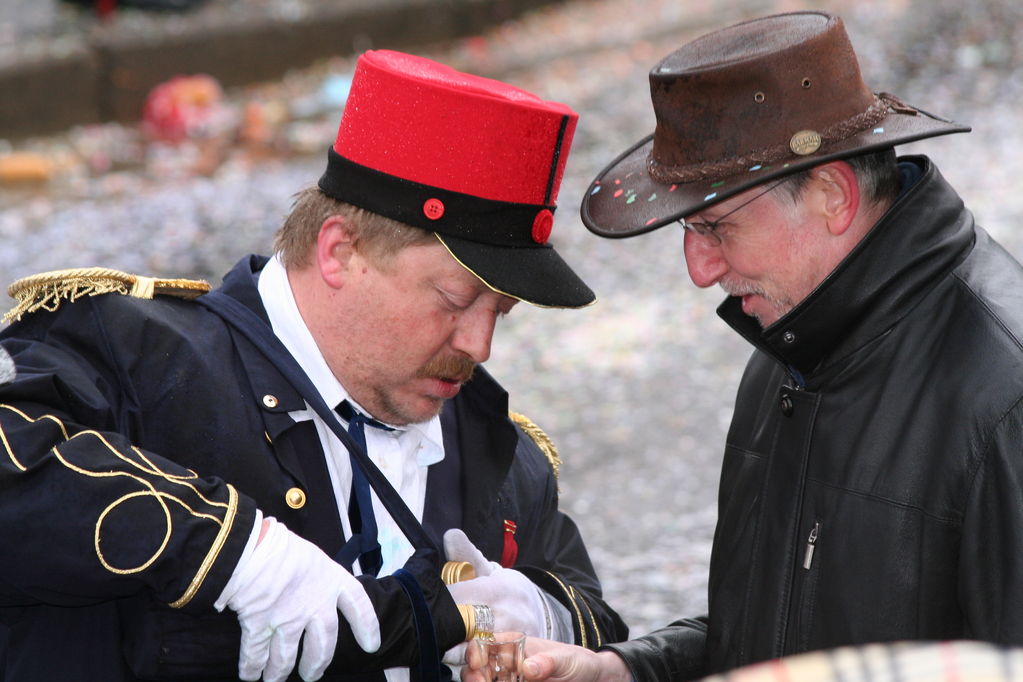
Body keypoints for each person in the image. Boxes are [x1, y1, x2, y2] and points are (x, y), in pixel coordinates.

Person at [0, 49, 626, 681]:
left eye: (503, 312)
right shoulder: (134, 352)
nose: (480, 345)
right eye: (455, 300)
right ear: (339, 251)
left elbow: (598, 618)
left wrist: (545, 618)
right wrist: (232, 551)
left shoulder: (500, 449)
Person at [465, 9, 1023, 682]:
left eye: (713, 227)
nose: (697, 269)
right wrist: (621, 670)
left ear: (830, 196)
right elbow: (773, 632)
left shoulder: (1003, 395)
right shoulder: (792, 346)